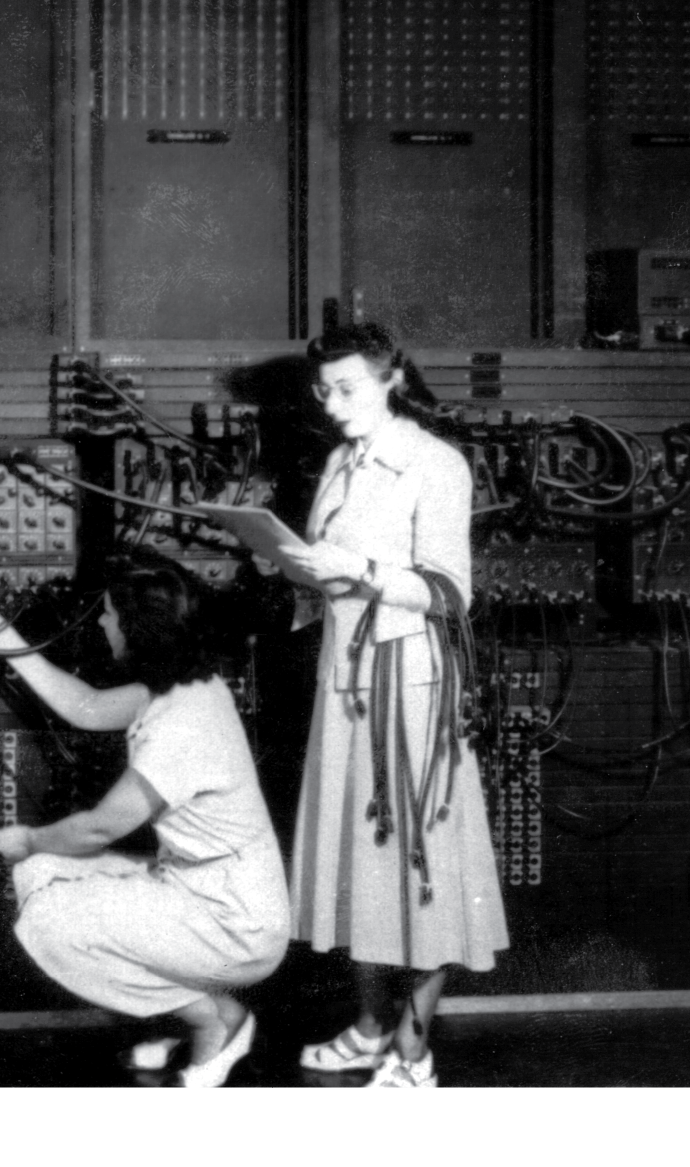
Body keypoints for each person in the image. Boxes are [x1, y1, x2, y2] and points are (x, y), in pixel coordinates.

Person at [274, 321, 508, 1088]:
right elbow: (328, 571)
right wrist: (290, 564)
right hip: (344, 683)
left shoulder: (434, 465)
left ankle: (413, 1050)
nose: (331, 402)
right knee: (358, 868)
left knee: (422, 871)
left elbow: (448, 591)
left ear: (391, 379)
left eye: (346, 387)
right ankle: (372, 1028)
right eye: (323, 389)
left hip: (411, 689)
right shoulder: (342, 461)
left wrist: (356, 566)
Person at [0, 551, 289, 1087]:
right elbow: (89, 708)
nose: (101, 622)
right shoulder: (186, 686)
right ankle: (190, 1014)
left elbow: (99, 828)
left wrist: (25, 837)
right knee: (39, 875)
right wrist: (8, 642)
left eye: (111, 615)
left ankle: (213, 1021)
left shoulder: (181, 725)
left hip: (234, 924)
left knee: (50, 920)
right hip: (201, 891)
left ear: (139, 629)